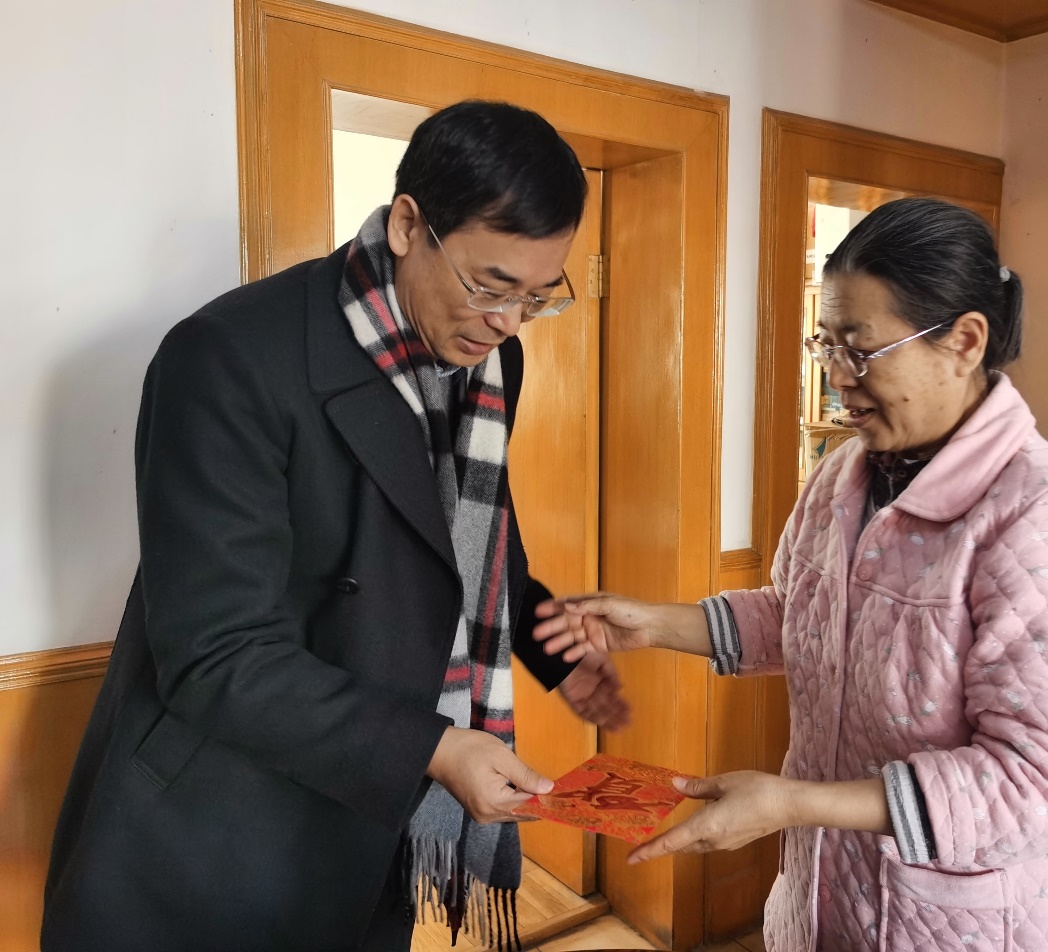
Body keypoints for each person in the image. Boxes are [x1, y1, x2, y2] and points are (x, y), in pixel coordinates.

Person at [42, 100, 629, 952]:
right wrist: (435, 749)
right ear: (407, 225)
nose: (507, 320)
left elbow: (458, 548)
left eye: (538, 296)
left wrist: (554, 648)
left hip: (366, 818)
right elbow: (216, 656)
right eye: (490, 286)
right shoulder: (230, 355)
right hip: (216, 825)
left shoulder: (491, 358)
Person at [535, 197, 1048, 952]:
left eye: (861, 351)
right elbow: (801, 614)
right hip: (825, 900)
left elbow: (1032, 787)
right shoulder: (845, 474)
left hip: (968, 926)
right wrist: (655, 624)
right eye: (826, 346)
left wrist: (795, 803)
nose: (837, 380)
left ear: (965, 341)